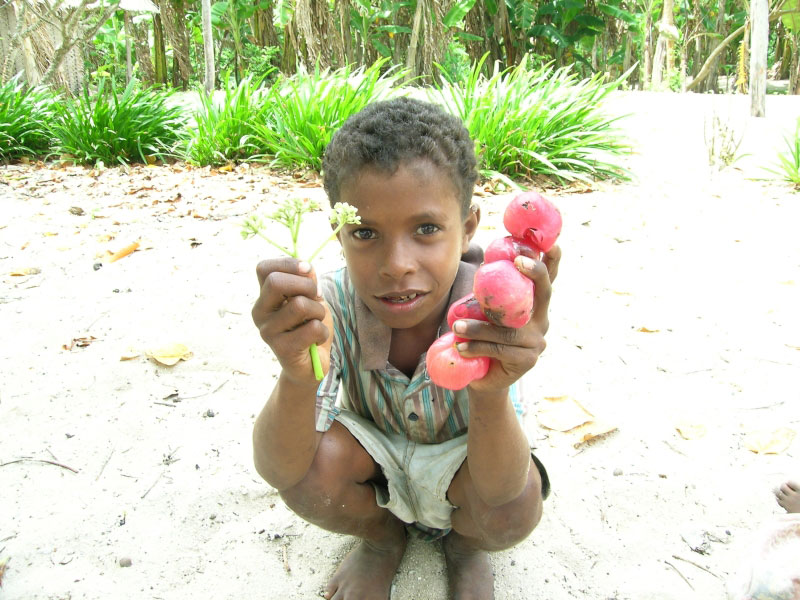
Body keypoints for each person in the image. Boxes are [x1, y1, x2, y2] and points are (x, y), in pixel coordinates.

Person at [250, 97, 560, 600]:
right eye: (365, 233)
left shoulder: (489, 313)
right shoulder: (329, 309)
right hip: (373, 458)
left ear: (469, 228)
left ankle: (465, 548)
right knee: (306, 476)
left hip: (470, 463)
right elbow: (279, 470)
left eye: (427, 229)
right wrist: (295, 374)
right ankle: (379, 537)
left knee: (515, 508)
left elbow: (500, 490)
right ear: (338, 231)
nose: (397, 264)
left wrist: (490, 391)